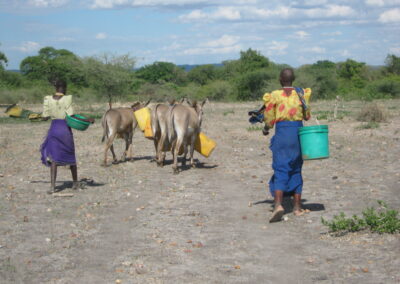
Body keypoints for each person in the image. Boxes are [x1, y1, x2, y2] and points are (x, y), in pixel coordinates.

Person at [262, 68, 312, 222]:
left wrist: (266, 128)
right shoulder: (302, 94)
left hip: (282, 133)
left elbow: (269, 117)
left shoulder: (274, 95)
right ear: (293, 79)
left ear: (280, 79)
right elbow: (307, 116)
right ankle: (297, 208)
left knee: (281, 168)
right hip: (298, 134)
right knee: (296, 168)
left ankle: (278, 205)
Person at [40, 79, 94, 194]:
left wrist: (42, 116)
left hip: (54, 130)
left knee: (54, 159)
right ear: (64, 87)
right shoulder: (67, 99)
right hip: (64, 129)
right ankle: (75, 183)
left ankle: (53, 187)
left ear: (56, 88)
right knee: (71, 156)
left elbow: (45, 117)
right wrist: (87, 119)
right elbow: (71, 115)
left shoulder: (47, 99)